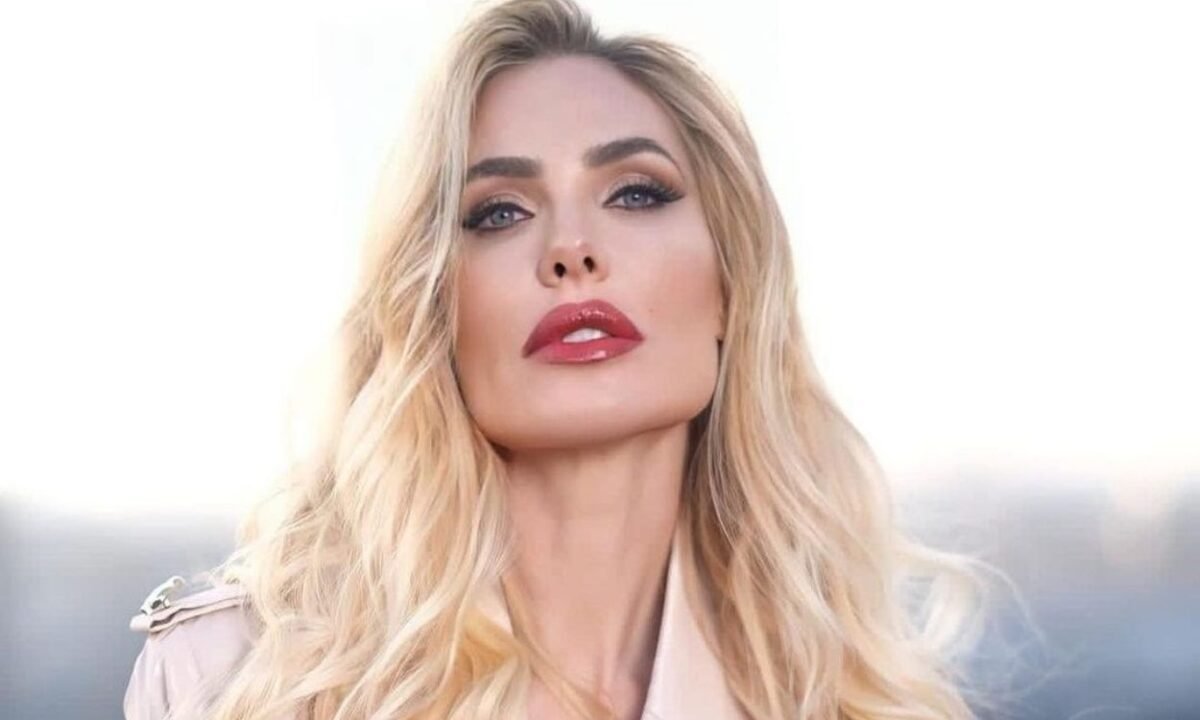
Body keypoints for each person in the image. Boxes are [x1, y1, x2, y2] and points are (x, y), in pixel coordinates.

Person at [123, 0, 990, 718]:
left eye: (636, 193)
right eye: (499, 212)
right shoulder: (235, 678)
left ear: (731, 284)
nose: (572, 249)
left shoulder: (844, 698)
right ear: (431, 304)